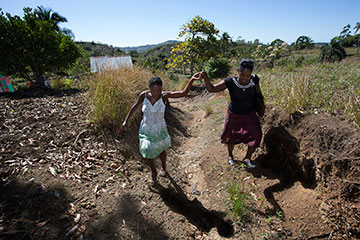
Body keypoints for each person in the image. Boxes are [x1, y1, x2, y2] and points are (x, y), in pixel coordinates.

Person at [122, 73, 202, 184]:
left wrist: (192, 79)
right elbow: (135, 107)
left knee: (161, 149)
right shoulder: (143, 96)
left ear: (161, 89)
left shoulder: (164, 96)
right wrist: (126, 120)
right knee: (146, 149)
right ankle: (153, 171)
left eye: (159, 90)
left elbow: (183, 93)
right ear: (149, 88)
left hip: (159, 129)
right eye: (153, 91)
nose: (156, 93)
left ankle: (163, 167)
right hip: (146, 129)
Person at [200, 58, 265, 168]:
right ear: (238, 71)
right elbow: (212, 89)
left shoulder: (254, 80)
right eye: (242, 75)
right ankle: (230, 156)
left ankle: (247, 158)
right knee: (231, 136)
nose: (245, 78)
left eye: (248, 76)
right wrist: (206, 78)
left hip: (249, 114)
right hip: (234, 114)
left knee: (257, 134)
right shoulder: (230, 82)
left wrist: (261, 107)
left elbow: (259, 94)